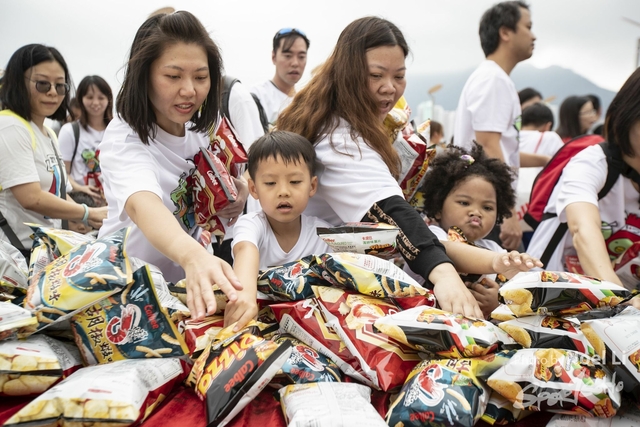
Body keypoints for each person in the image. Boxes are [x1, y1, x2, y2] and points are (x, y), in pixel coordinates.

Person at [278, 16, 541, 318]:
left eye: (399, 76)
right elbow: (395, 213)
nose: (389, 88)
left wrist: (495, 262)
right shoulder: (339, 137)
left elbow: (414, 228)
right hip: (308, 284)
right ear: (347, 73)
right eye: (376, 75)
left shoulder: (364, 122)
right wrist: (444, 276)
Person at [98, 11, 244, 319]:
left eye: (201, 77)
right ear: (144, 76)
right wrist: (193, 256)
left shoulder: (201, 130)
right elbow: (143, 205)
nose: (189, 90)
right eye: (173, 76)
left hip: (179, 288)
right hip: (124, 292)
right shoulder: (126, 136)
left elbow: (220, 183)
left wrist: (238, 194)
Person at [526, 67, 640, 293]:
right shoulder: (593, 162)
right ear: (628, 114)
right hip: (551, 299)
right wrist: (621, 298)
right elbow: (583, 229)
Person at [453, 1, 545, 251]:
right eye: (527, 26)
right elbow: (488, 144)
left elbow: (504, 150)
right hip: (484, 204)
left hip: (484, 201)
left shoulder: (494, 78)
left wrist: (548, 160)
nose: (533, 35)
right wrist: (507, 211)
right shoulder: (493, 80)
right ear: (505, 32)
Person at [0, 44, 107, 255]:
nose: (52, 92)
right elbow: (31, 198)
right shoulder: (11, 127)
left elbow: (58, 194)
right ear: (18, 82)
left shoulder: (48, 133)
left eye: (60, 86)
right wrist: (88, 213)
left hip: (41, 253)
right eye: (42, 84)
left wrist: (96, 216)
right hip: (13, 255)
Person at [230, 131, 331, 329]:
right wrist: (244, 298)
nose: (283, 191)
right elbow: (245, 250)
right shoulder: (251, 224)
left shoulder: (323, 234)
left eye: (294, 182)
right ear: (253, 189)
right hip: (257, 323)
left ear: (312, 186)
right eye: (270, 183)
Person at [416, 143, 518, 318]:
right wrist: (497, 261)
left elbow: (514, 290)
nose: (476, 212)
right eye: (464, 203)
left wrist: (498, 302)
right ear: (439, 207)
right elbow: (446, 250)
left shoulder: (494, 248)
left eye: (487, 207)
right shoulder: (432, 235)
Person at [58, 75, 113, 203]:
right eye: (89, 97)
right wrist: (81, 189)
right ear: (81, 99)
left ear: (109, 100)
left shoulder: (117, 131)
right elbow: (62, 172)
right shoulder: (69, 131)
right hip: (82, 203)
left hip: (113, 203)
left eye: (101, 98)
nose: (95, 103)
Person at [251, 28, 309, 126]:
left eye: (301, 57)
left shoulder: (308, 102)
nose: (295, 63)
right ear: (274, 57)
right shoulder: (258, 96)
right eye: (288, 56)